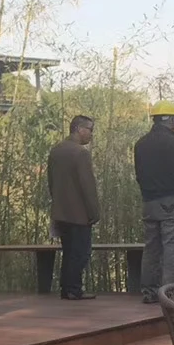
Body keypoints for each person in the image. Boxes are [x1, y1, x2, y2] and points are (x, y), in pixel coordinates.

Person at [133, 100, 174, 304]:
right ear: (171, 120)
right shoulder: (173, 143)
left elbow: (139, 175)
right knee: (173, 249)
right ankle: (172, 296)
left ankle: (150, 291)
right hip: (172, 202)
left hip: (149, 202)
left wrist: (147, 195)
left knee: (152, 248)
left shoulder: (140, 144)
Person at [47, 115, 100, 300]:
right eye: (90, 130)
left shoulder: (56, 150)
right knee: (80, 252)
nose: (91, 134)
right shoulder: (80, 153)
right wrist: (94, 212)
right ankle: (74, 288)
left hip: (61, 211)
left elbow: (51, 182)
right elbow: (88, 186)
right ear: (79, 129)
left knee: (68, 251)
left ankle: (67, 288)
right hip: (79, 213)